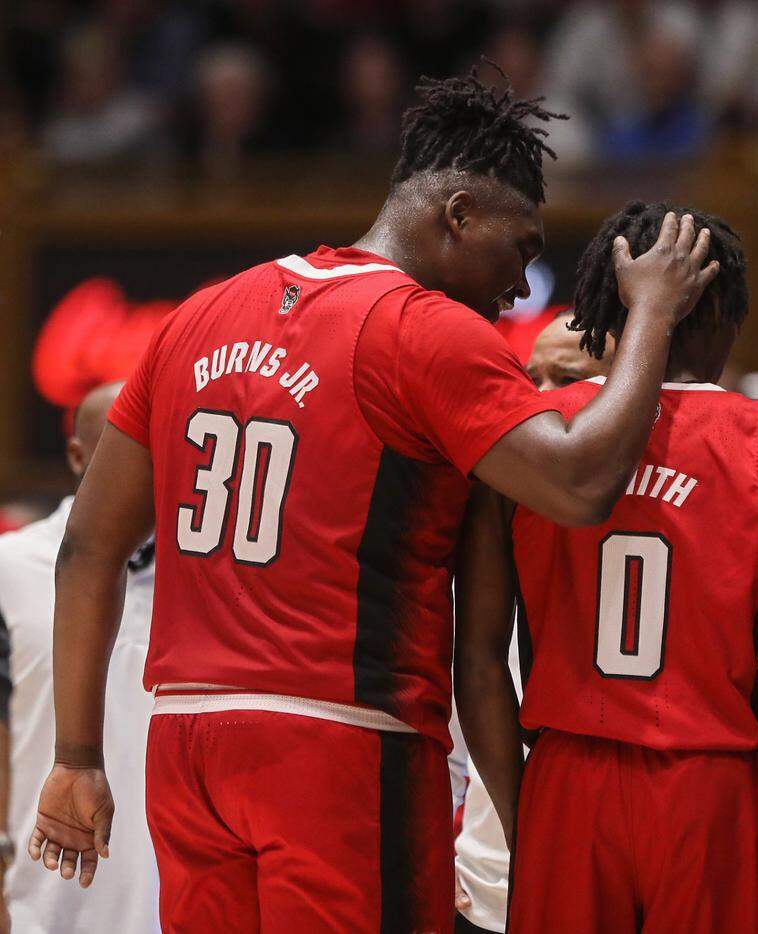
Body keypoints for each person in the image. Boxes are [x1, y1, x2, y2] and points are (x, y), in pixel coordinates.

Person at [28, 72, 718, 933]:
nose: (520, 283)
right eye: (518, 247)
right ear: (458, 213)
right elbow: (579, 484)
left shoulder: (200, 314)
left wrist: (78, 757)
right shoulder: (424, 328)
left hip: (186, 746)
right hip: (339, 741)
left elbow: (88, 547)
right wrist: (651, 313)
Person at [456, 201, 758, 933]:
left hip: (566, 779)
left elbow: (477, 661)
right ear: (725, 309)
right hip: (709, 780)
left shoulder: (531, 440)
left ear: (604, 305)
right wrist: (750, 807)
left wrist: (523, 812)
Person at [0, 383, 159, 934]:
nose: (140, 462)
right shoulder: (8, 566)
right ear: (76, 456)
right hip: (30, 905)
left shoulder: (215, 579)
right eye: (124, 442)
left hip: (170, 907)